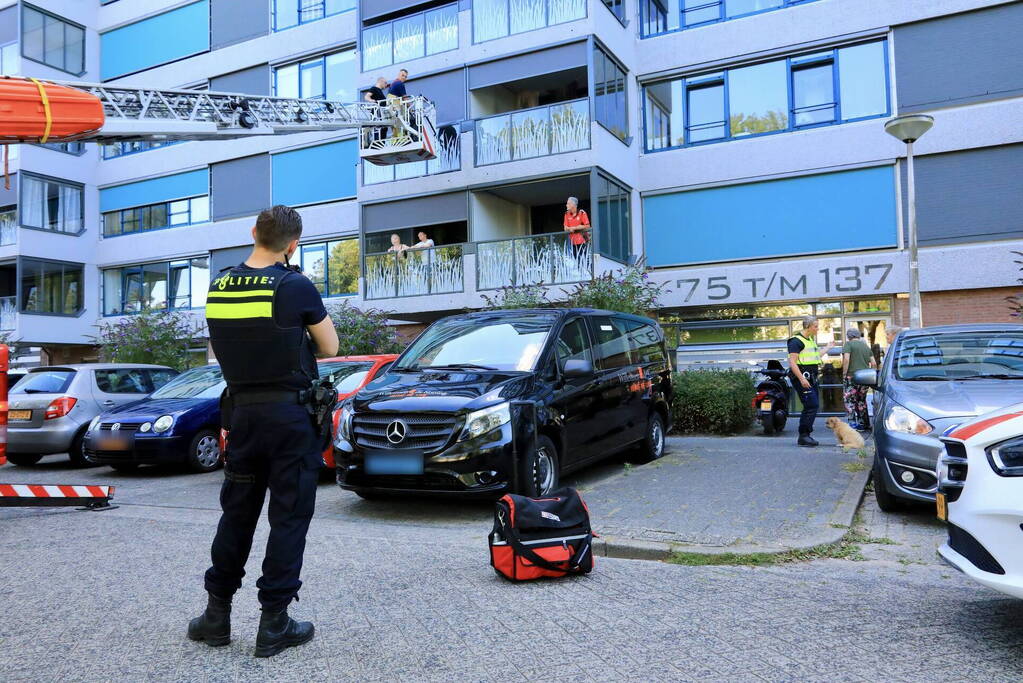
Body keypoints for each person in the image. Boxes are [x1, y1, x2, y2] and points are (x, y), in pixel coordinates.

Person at [188, 205, 339, 658]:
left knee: (236, 514)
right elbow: (330, 346)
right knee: (288, 517)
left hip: (241, 417)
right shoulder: (295, 285)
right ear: (294, 244)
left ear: (253, 232)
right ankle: (274, 623)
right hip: (290, 418)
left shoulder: (218, 285)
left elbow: (221, 350)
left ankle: (216, 616)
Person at [787, 316, 835, 447]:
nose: (817, 329)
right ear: (808, 326)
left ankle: (805, 436)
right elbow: (792, 362)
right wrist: (801, 379)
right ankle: (803, 436)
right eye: (815, 326)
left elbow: (815, 356)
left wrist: (828, 348)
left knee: (812, 405)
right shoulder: (796, 341)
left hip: (811, 377)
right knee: (811, 405)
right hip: (802, 378)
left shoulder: (810, 341)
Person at [842, 328, 876, 430]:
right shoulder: (865, 346)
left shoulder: (848, 344)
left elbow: (846, 359)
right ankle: (864, 424)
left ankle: (852, 424)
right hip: (865, 377)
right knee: (861, 400)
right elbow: (873, 363)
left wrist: (844, 373)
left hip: (851, 376)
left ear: (849, 336)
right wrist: (871, 374)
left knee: (849, 400)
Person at [387, 69, 410, 138]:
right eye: (402, 75)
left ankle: (396, 138)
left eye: (405, 77)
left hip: (391, 103)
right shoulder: (400, 84)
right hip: (395, 102)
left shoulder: (393, 84)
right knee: (401, 119)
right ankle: (401, 137)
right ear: (398, 75)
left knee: (395, 122)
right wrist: (411, 108)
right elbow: (405, 98)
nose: (404, 78)